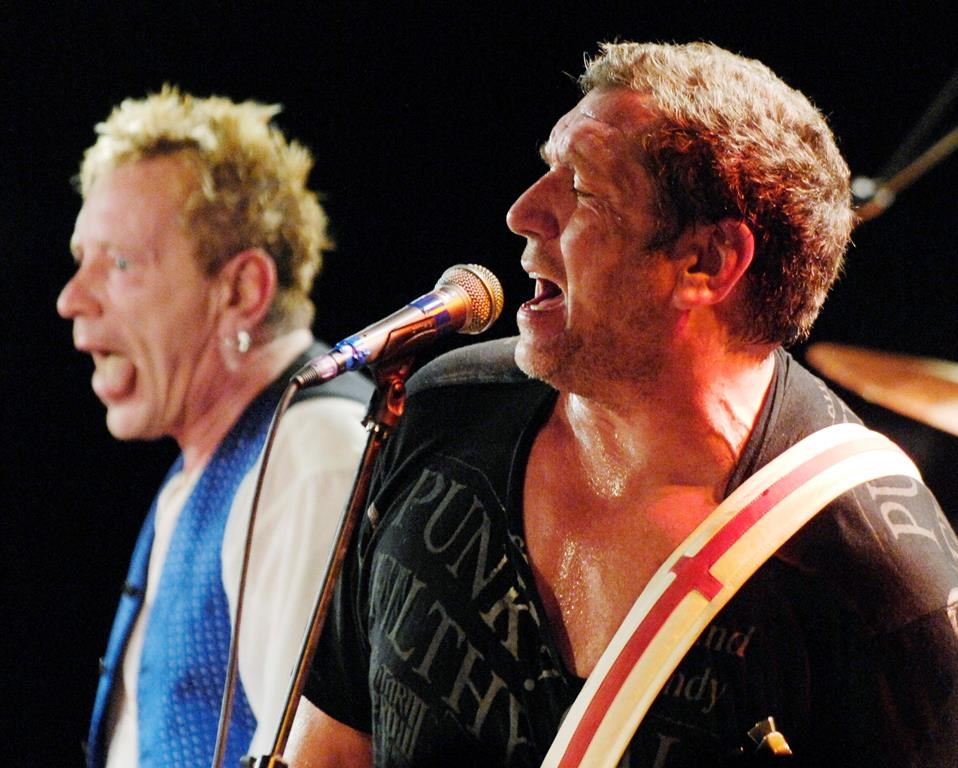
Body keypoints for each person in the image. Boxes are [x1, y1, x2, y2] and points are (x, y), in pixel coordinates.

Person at [283, 41, 958, 768]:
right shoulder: (442, 413)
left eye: (584, 190)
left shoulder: (880, 576)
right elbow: (331, 747)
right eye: (548, 169)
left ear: (708, 262)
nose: (522, 212)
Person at [57, 86, 374, 768]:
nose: (71, 300)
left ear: (240, 292)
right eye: (80, 260)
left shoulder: (310, 458)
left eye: (118, 264)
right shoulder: (204, 469)